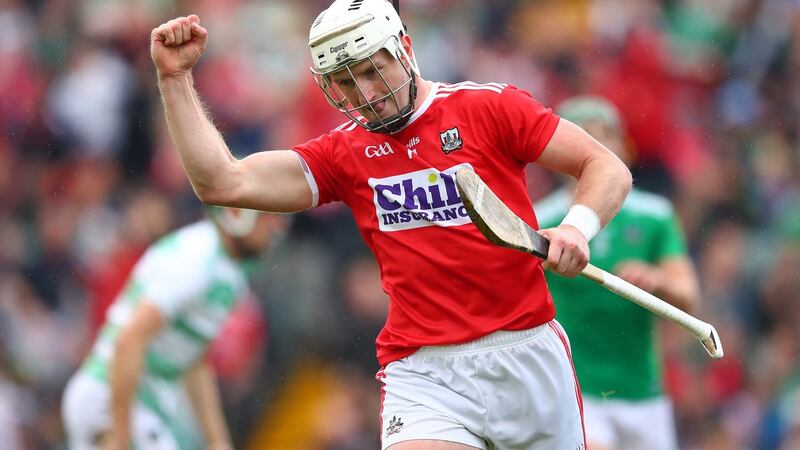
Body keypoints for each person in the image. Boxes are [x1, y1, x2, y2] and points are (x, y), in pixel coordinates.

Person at [149, 1, 632, 448]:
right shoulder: (343, 153)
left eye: (372, 71)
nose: (367, 95)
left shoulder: (489, 107)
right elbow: (222, 183)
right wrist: (174, 79)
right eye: (345, 82)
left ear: (404, 47)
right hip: (423, 370)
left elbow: (605, 166)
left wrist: (576, 228)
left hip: (526, 352)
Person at [536, 96, 701, 450]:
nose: (598, 148)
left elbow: (688, 295)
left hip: (645, 391)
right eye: (584, 138)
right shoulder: (540, 223)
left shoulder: (655, 216)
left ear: (622, 145)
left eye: (605, 136)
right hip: (578, 388)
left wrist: (657, 280)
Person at [61, 207, 288, 450]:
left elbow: (196, 359)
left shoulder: (230, 268)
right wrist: (120, 434)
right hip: (111, 399)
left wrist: (217, 441)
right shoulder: (196, 259)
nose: (278, 226)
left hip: (128, 404)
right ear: (236, 214)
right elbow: (130, 339)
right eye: (268, 216)